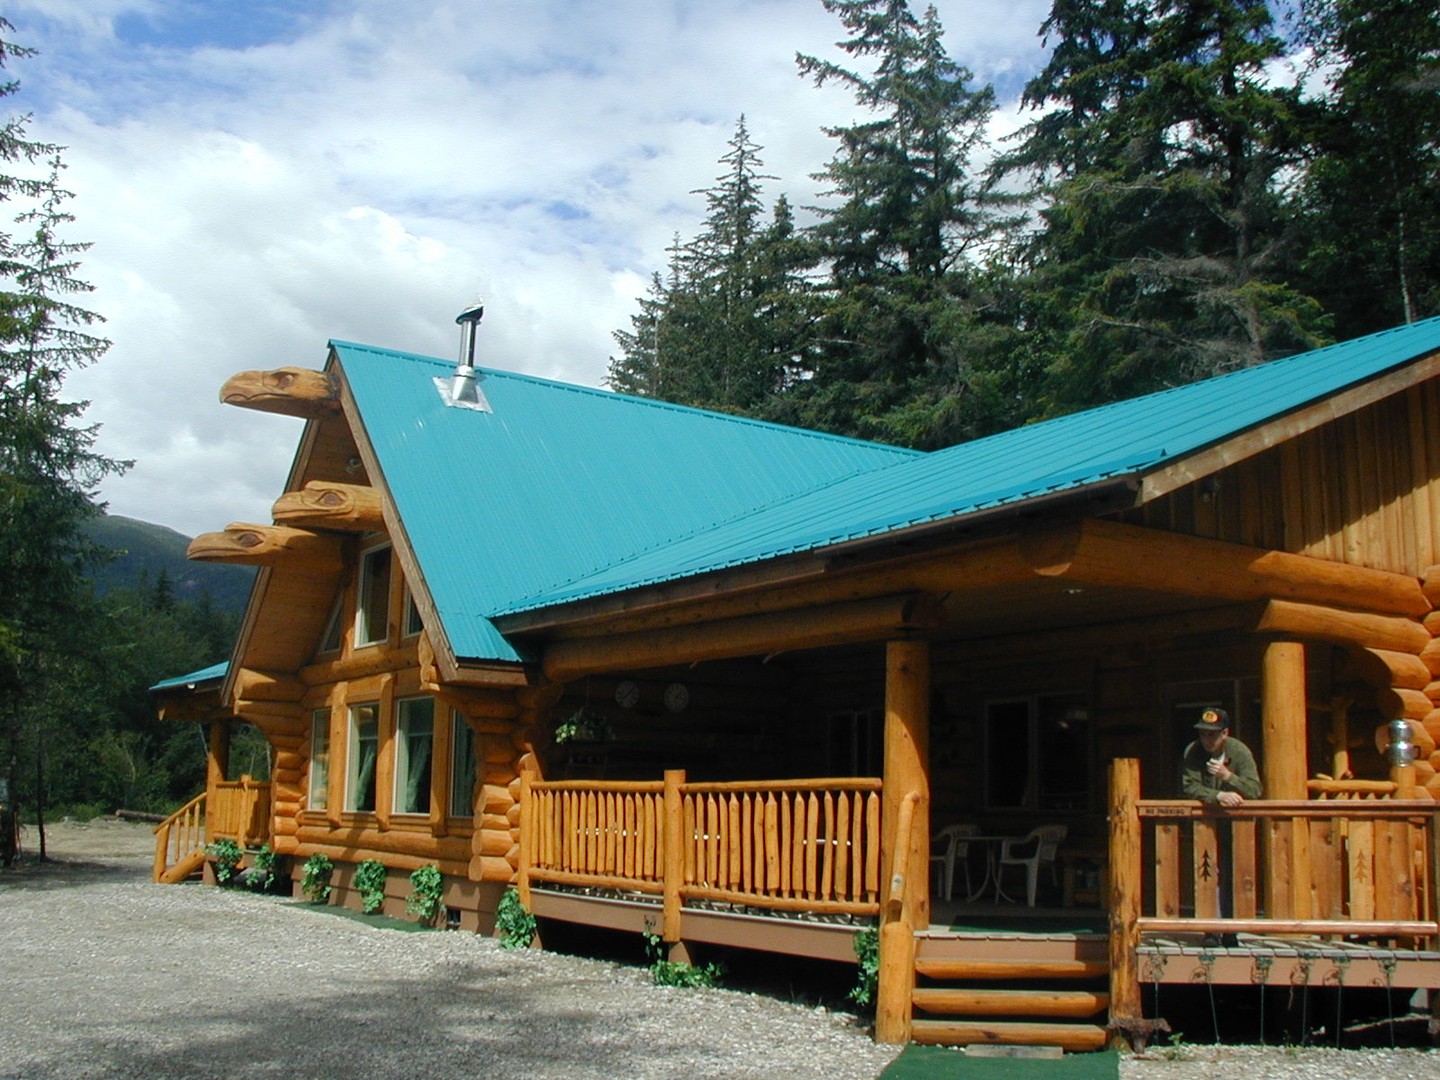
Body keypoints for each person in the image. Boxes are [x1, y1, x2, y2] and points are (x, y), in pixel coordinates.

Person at [1182, 707, 1262, 807]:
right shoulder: (1193, 750)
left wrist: (1228, 776)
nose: (1206, 740)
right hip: (1203, 817)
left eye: (1211, 735)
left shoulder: (1240, 751)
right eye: (1202, 734)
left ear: (1224, 733)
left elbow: (1254, 791)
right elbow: (1189, 787)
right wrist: (1218, 795)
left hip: (1235, 816)